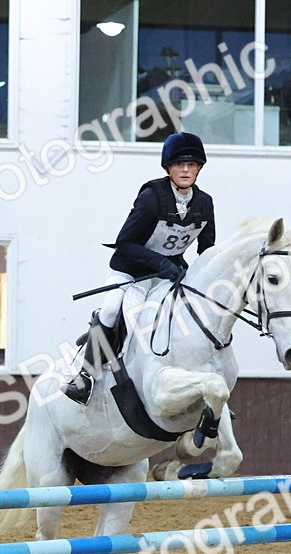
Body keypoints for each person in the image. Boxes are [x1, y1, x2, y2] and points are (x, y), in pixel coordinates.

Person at [62, 131, 217, 405]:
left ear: (199, 169)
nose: (185, 169)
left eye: (191, 164)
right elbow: (125, 243)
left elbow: (207, 250)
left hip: (170, 274)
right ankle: (85, 377)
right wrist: (163, 264)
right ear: (168, 168)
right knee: (111, 309)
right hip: (131, 272)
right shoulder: (152, 197)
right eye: (179, 164)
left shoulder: (205, 203)